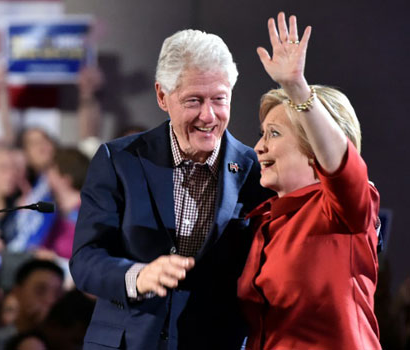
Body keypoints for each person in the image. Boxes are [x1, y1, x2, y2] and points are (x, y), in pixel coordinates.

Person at [70, 29, 270, 349]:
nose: (209, 116)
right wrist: (138, 276)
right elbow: (85, 260)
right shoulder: (120, 160)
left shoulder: (255, 170)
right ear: (162, 96)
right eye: (194, 100)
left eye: (219, 99)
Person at [237, 13, 381, 350]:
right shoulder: (263, 222)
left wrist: (296, 88)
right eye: (262, 134)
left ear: (314, 149)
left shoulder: (343, 211)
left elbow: (343, 167)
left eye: (273, 134)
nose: (259, 147)